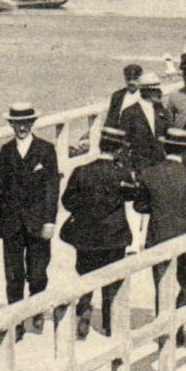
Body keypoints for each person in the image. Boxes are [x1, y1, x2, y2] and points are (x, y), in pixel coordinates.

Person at [59, 125, 136, 338]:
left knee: (86, 276)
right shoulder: (121, 173)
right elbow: (133, 196)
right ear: (118, 150)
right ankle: (110, 325)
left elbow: (67, 201)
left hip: (86, 236)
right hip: (114, 235)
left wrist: (86, 209)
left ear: (100, 145)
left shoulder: (81, 171)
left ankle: (84, 312)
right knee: (112, 282)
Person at [0, 102, 60, 338]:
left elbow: (52, 187)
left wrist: (50, 220)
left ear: (32, 123)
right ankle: (16, 321)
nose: (21, 128)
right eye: (17, 124)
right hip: (10, 223)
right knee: (13, 275)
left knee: (38, 272)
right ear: (11, 125)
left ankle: (37, 309)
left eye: (26, 123)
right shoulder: (5, 151)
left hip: (38, 222)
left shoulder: (46, 150)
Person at [134, 127, 186, 311]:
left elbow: (139, 206)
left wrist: (157, 205)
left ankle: (163, 323)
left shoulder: (149, 174)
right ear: (184, 151)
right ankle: (178, 313)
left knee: (161, 286)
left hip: (158, 235)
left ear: (164, 148)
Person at [118, 71, 169, 175]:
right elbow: (124, 143)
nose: (160, 94)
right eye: (155, 91)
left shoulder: (161, 112)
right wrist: (128, 169)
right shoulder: (130, 112)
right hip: (139, 166)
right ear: (145, 91)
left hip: (159, 166)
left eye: (159, 90)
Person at [105, 63, 144, 130]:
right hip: (118, 132)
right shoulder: (117, 96)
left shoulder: (145, 96)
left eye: (135, 79)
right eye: (128, 79)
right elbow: (110, 120)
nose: (131, 82)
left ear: (141, 79)